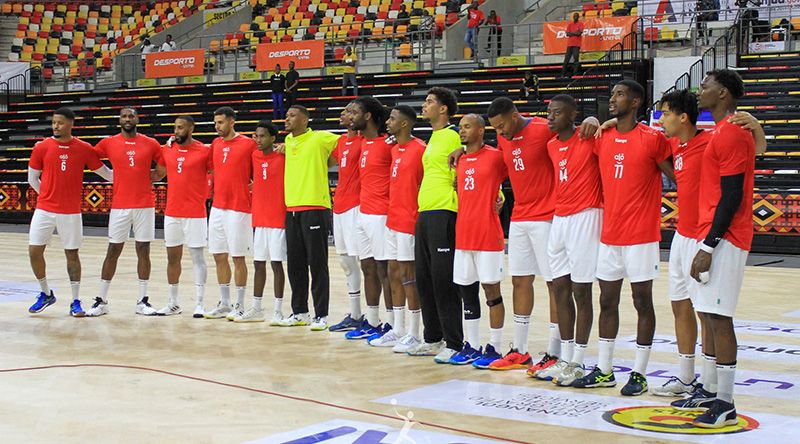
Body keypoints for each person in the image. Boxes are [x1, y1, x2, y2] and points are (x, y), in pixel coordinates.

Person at [571, 80, 674, 396]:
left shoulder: (653, 139)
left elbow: (677, 175)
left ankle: (640, 374)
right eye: (612, 93)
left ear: (636, 101)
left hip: (641, 236)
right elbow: (573, 136)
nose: (613, 98)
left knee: (642, 301)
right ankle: (604, 370)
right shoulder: (603, 137)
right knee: (606, 301)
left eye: (620, 94)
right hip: (609, 236)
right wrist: (592, 120)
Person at [677, 70, 755, 428]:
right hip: (712, 234)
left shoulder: (733, 133)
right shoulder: (722, 131)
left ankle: (726, 402)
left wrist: (709, 244)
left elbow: (733, 195)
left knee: (720, 318)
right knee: (708, 315)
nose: (699, 90)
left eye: (705, 85)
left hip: (726, 237)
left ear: (723, 93)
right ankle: (712, 392)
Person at [407, 87, 479, 363]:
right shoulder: (434, 138)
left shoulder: (452, 136)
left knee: (443, 280)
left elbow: (471, 162)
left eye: (429, 102)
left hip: (444, 212)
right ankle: (433, 338)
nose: (424, 106)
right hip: (425, 212)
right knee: (424, 279)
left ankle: (454, 342)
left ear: (443, 108)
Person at [540, 94, 603, 386]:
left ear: (573, 115)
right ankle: (565, 358)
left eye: (557, 113)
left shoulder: (589, 137)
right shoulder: (551, 145)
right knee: (559, 288)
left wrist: (595, 119)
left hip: (586, 214)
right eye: (549, 112)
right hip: (560, 217)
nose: (550, 117)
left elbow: (610, 131)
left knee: (581, 289)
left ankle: (578, 361)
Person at [27, 108, 113, 317]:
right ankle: (46, 293)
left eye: (60, 123)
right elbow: (32, 178)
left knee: (72, 255)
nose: (56, 126)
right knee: (34, 251)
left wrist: (134, 176)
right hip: (44, 209)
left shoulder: (83, 148)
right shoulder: (42, 147)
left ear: (71, 124)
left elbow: (107, 174)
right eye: (54, 122)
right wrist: (47, 195)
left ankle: (75, 301)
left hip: (71, 212)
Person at [88, 107, 163, 317]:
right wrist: (110, 175)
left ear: (137, 119)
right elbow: (91, 158)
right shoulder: (109, 142)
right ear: (119, 120)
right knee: (113, 250)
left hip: (145, 204)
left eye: (131, 116)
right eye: (124, 116)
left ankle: (142, 301)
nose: (128, 119)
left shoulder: (150, 143)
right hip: (119, 205)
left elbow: (163, 164)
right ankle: (101, 300)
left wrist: (154, 176)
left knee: (143, 250)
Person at [448, 114, 508, 366]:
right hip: (463, 237)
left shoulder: (495, 156)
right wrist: (459, 151)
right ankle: (472, 345)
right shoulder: (459, 159)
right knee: (467, 291)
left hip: (488, 236)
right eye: (460, 127)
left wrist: (501, 197)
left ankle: (495, 346)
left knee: (492, 292)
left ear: (482, 130)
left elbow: (514, 173)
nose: (462, 131)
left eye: (467, 127)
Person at [280, 105, 341, 329]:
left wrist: (326, 162)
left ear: (305, 120)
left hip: (315, 207)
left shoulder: (320, 138)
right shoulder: (288, 141)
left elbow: (345, 145)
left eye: (292, 115)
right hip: (291, 209)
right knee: (295, 265)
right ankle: (300, 312)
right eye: (287, 115)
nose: (287, 119)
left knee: (317, 264)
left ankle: (321, 314)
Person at [373, 105, 425, 351]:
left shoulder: (421, 149)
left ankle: (415, 333)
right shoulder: (394, 149)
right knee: (393, 272)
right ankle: (398, 328)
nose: (387, 122)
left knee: (408, 276)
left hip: (409, 221)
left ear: (404, 123)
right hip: (392, 220)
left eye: (392, 119)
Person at [344, 97, 395, 342]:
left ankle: (392, 324)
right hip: (363, 213)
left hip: (381, 214)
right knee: (367, 268)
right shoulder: (363, 142)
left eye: (354, 112)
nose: (349, 116)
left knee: (384, 270)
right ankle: (373, 322)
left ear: (368, 116)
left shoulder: (388, 144)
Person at [150, 116, 211, 318]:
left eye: (181, 127)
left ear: (191, 129)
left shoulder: (204, 151)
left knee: (197, 257)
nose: (177, 131)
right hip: (172, 213)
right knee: (172, 258)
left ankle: (200, 303)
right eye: (175, 127)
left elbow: (218, 172)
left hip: (195, 213)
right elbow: (158, 174)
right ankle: (173, 302)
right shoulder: (167, 149)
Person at [204, 107, 257, 321]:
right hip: (218, 207)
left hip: (239, 208)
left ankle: (240, 305)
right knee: (219, 255)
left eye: (221, 122)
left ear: (232, 122)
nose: (217, 126)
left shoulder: (248, 144)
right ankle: (225, 303)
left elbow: (260, 168)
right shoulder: (215, 144)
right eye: (215, 123)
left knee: (238, 257)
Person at [238, 120, 287, 323]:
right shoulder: (254, 155)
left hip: (278, 219)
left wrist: (287, 147)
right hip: (259, 218)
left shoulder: (283, 156)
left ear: (273, 138)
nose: (258, 140)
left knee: (276, 264)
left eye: (262, 136)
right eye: (256, 136)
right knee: (258, 263)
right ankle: (257, 308)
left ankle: (278, 310)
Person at [329, 103, 365, 332]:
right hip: (339, 206)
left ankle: (374, 316)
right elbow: (325, 162)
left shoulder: (366, 141)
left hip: (356, 205)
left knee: (364, 261)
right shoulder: (341, 141)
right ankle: (355, 314)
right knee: (345, 262)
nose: (343, 114)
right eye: (343, 111)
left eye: (350, 112)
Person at [561, 13, 583, 78]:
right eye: (574, 16)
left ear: (578, 17)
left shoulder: (580, 24)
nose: (575, 17)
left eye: (576, 16)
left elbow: (579, 33)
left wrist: (572, 33)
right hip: (570, 44)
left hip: (576, 44)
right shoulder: (570, 24)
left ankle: (575, 74)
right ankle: (563, 74)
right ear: (573, 17)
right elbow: (567, 34)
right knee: (566, 60)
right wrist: (575, 33)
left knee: (576, 58)